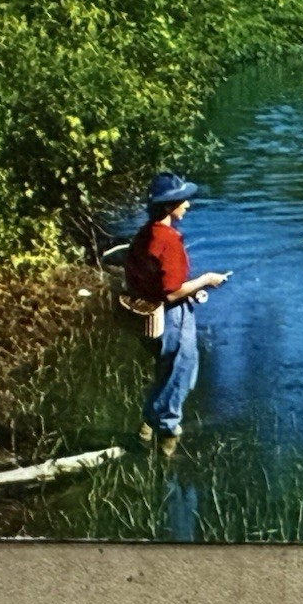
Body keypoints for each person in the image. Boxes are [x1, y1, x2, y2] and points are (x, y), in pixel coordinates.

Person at [123, 172, 229, 455]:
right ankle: (167, 435)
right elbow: (171, 292)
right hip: (172, 317)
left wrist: (189, 288)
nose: (188, 206)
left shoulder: (145, 233)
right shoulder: (168, 240)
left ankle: (147, 427)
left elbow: (151, 280)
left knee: (166, 371)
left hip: (149, 317)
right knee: (182, 372)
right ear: (169, 206)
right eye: (183, 200)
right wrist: (206, 280)